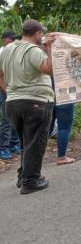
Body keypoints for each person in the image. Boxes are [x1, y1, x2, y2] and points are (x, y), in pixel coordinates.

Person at [0, 19, 55, 194]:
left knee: (26, 141)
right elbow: (48, 69)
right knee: (36, 142)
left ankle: (23, 175)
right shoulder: (33, 50)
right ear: (37, 33)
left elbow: (0, 74)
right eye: (41, 34)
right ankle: (31, 181)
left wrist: (8, 91)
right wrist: (50, 49)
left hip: (13, 102)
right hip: (36, 101)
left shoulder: (7, 49)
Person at [0, 30, 21, 160]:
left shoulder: (15, 52)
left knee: (16, 117)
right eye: (10, 39)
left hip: (14, 89)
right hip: (4, 89)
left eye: (14, 39)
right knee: (7, 119)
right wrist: (6, 90)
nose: (13, 41)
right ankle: (3, 148)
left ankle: (14, 144)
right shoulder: (2, 52)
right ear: (4, 40)